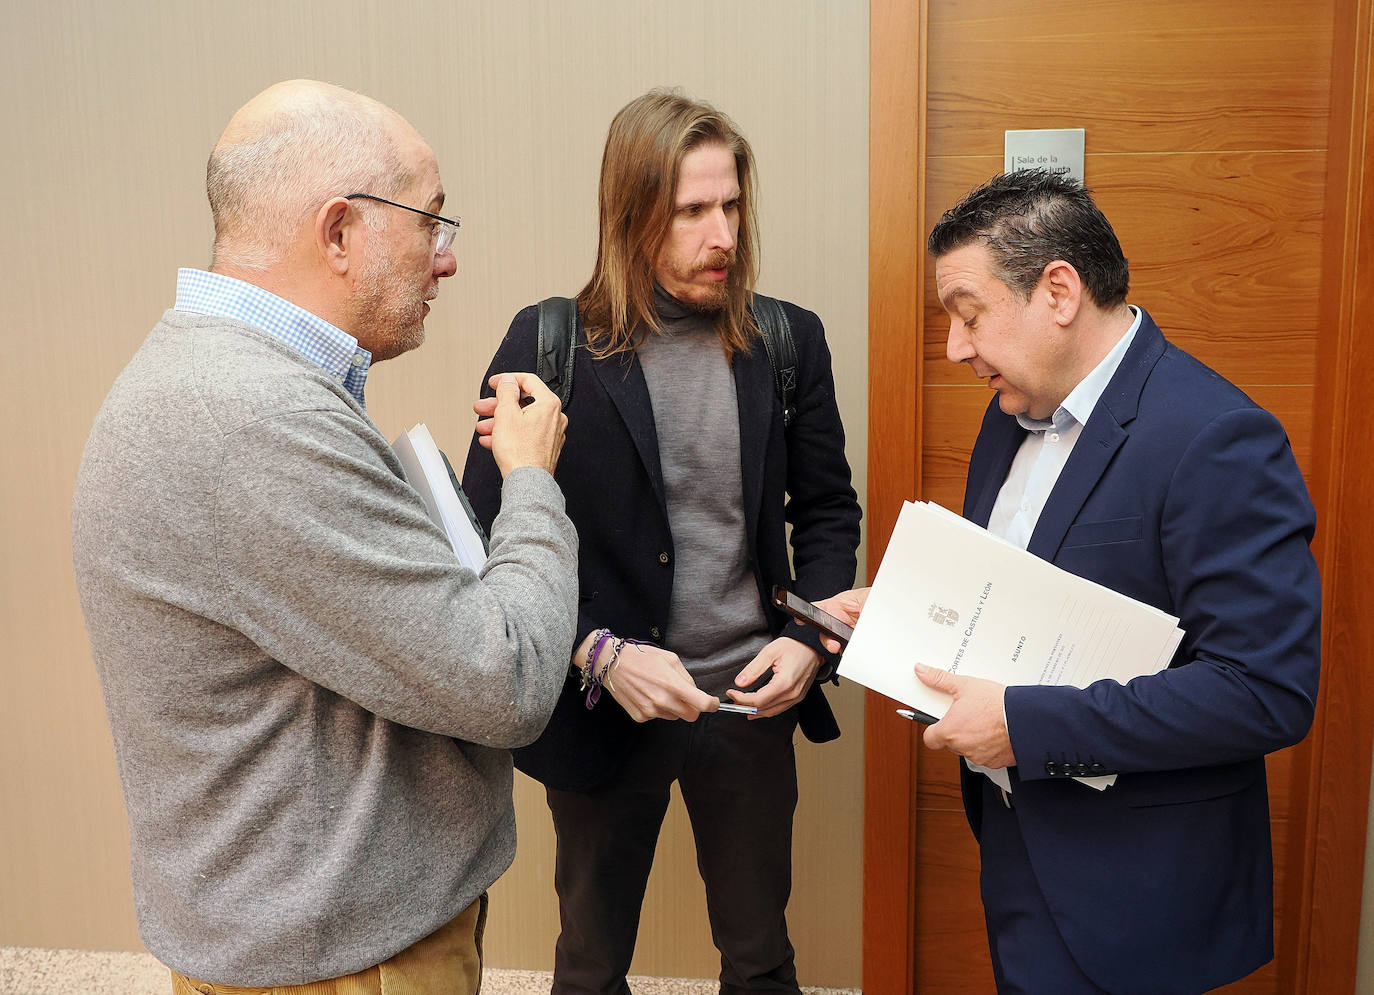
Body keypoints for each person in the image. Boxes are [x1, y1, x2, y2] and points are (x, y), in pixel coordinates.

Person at [70, 80, 578, 994]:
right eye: (433, 223)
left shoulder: (206, 374)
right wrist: (534, 479)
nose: (446, 259)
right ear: (339, 231)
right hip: (345, 960)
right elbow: (507, 679)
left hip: (299, 931)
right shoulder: (258, 423)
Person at [819, 170, 1321, 994]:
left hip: (1137, 889)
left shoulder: (1216, 435)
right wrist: (910, 617)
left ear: (1058, 289)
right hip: (1020, 847)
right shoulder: (1007, 417)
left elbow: (1265, 689)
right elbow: (1024, 601)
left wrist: (1023, 724)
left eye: (968, 314)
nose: (954, 347)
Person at [462, 89, 861, 994]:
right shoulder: (550, 340)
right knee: (590, 963)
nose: (722, 234)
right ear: (632, 214)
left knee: (761, 959)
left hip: (752, 701)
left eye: (730, 206)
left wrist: (811, 642)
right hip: (607, 703)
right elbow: (484, 537)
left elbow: (829, 510)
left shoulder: (788, 341)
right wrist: (598, 654)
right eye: (692, 212)